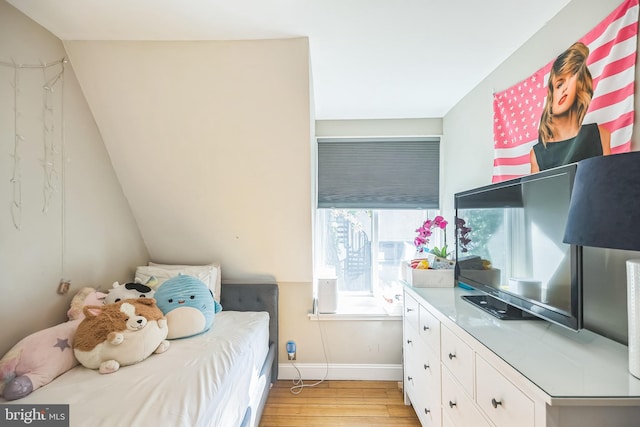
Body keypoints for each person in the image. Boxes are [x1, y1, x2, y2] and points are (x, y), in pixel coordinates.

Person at [530, 42, 611, 173]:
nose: (565, 89)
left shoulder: (599, 134)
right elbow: (536, 193)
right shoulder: (538, 154)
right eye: (559, 84)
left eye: (571, 81)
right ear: (551, 94)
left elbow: (609, 182)